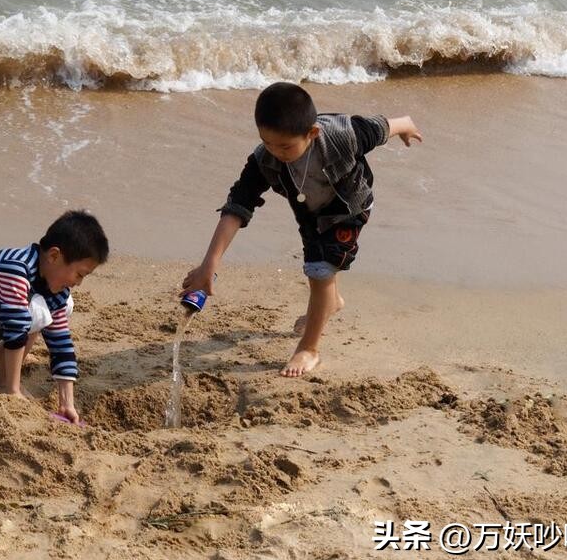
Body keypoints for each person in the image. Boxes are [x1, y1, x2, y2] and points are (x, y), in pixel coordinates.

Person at [181, 82, 423, 377]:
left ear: (312, 133)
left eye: (284, 146)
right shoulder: (264, 159)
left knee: (320, 270)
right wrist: (209, 265)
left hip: (348, 210)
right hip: (309, 215)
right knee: (319, 271)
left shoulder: (343, 135)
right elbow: (236, 209)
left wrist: (406, 124)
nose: (275, 152)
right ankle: (331, 303)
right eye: (266, 142)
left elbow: (382, 126)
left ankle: (309, 349)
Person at [0, 210, 109, 424]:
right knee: (36, 311)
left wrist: (66, 403)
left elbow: (60, 341)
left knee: (59, 307)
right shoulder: (15, 269)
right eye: (79, 274)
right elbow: (15, 326)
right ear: (54, 256)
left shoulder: (54, 285)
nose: (79, 283)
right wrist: (14, 392)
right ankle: (3, 385)